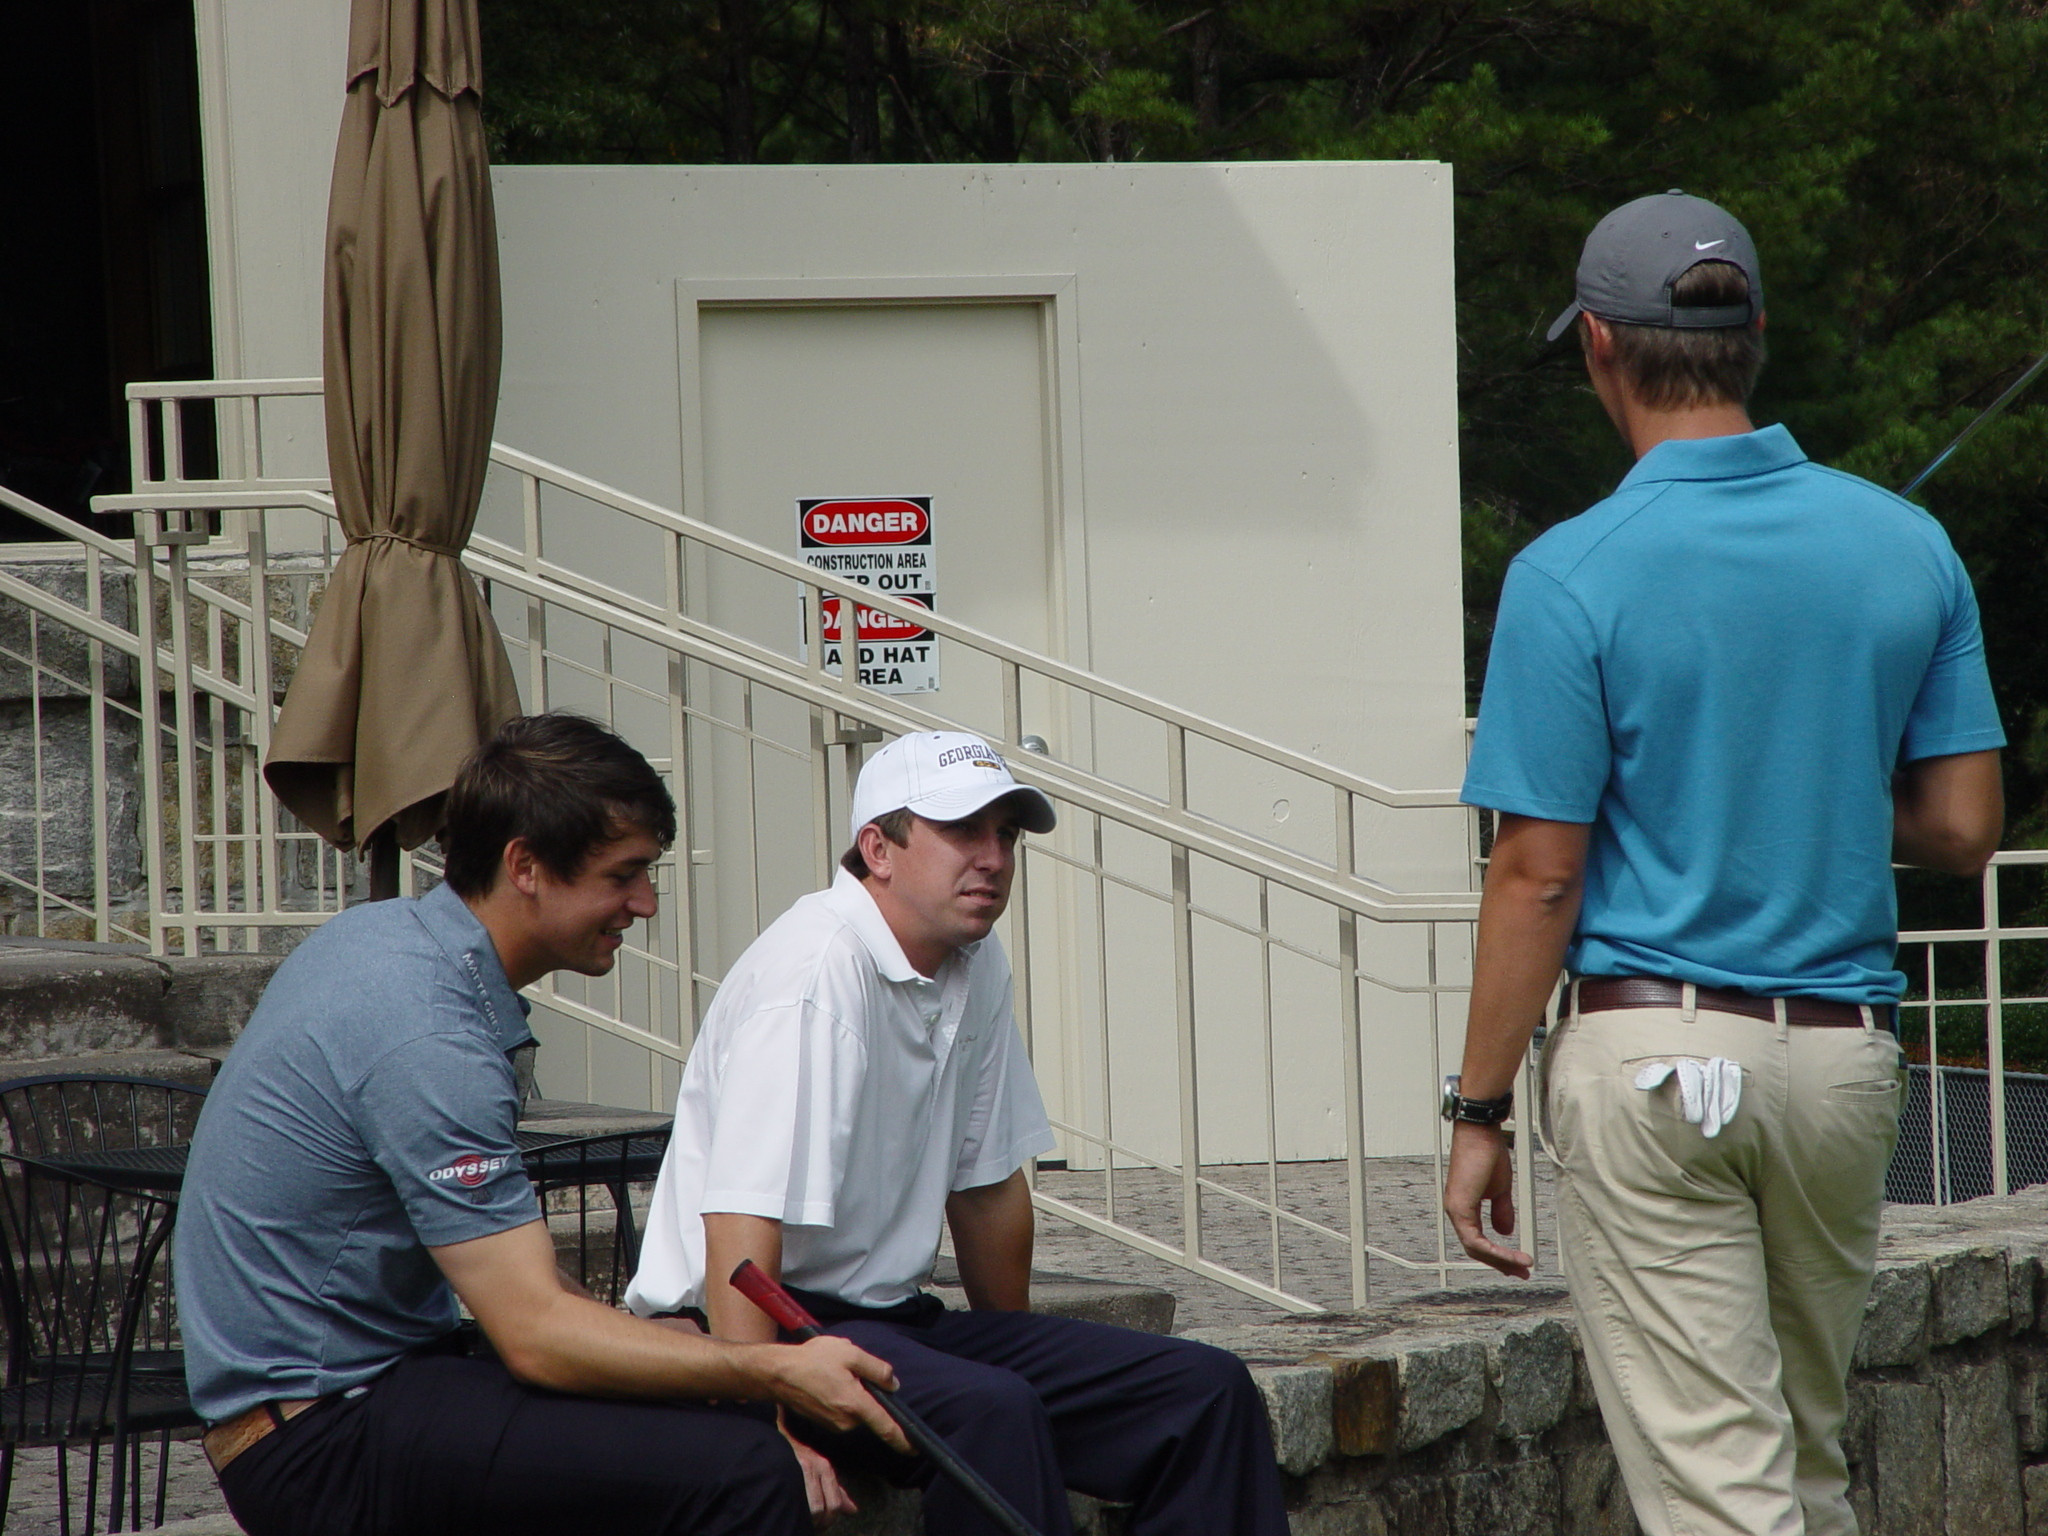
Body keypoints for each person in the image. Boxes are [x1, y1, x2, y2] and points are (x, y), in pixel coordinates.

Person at [1443, 189, 2006, 1536]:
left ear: (1597, 345)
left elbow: (1537, 875)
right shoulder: (1906, 544)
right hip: (1841, 1072)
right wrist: (1797, 796)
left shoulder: (1571, 572)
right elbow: (1962, 828)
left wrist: (1475, 1113)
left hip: (1654, 1067)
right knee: (1803, 1470)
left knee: (1720, 1495)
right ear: (1750, 334)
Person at [176, 713, 910, 1536]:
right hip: (319, 1437)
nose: (645, 903)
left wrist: (667, 1352)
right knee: (744, 1468)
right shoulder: (427, 1029)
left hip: (366, 1388)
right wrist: (769, 1370)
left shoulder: (389, 940)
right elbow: (534, 1335)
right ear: (524, 865)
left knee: (705, 1405)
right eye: (623, 874)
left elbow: (517, 1284)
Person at [627, 730, 1289, 1535]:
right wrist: (759, 1428)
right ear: (879, 848)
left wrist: (1011, 1351)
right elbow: (735, 1222)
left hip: (889, 1319)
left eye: (1005, 834)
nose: (994, 857)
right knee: (994, 1413)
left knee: (1207, 1390)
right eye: (964, 830)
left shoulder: (974, 960)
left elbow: (988, 1189)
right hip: (758, 1332)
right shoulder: (813, 972)